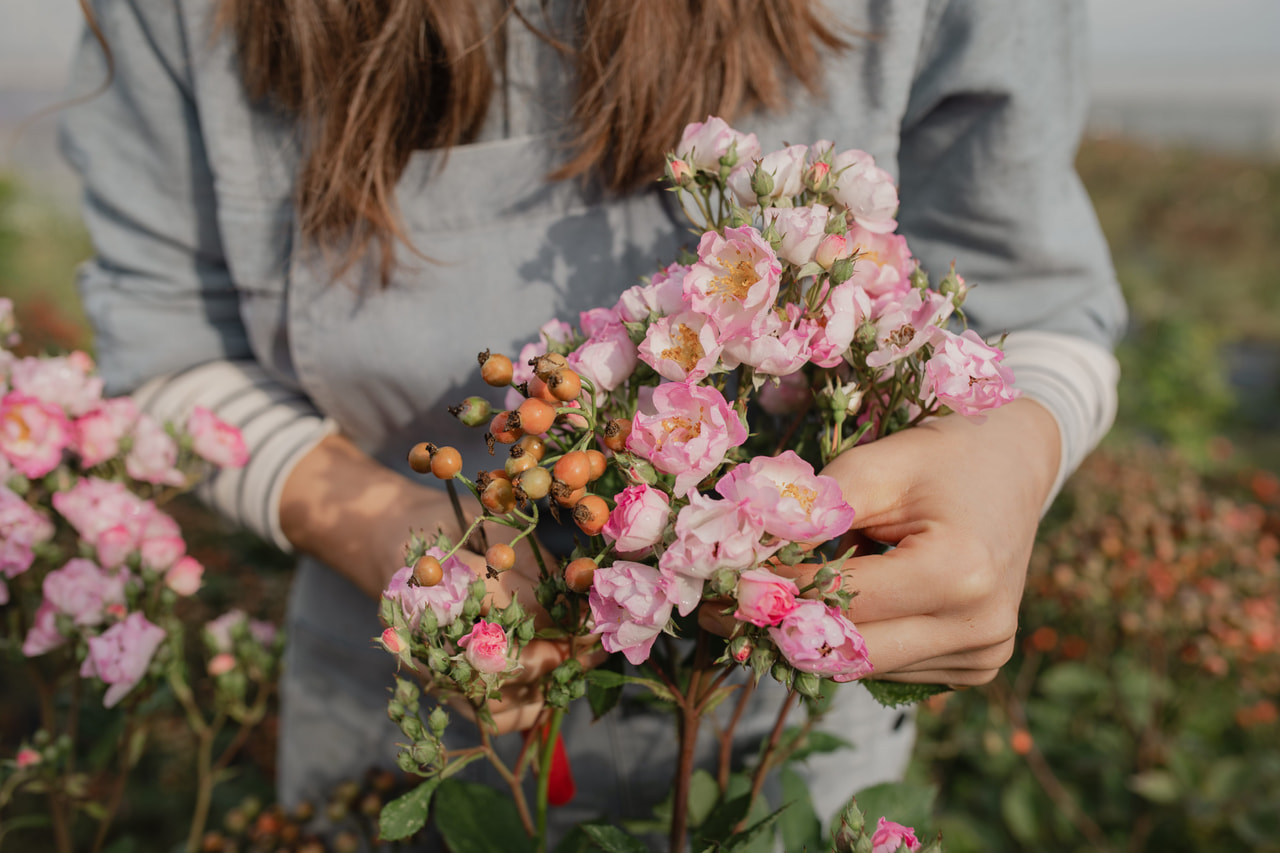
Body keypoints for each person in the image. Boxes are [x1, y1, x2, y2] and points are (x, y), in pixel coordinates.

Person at [62, 0, 1125, 838]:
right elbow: (166, 351)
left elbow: (1030, 312)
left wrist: (1009, 448)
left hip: (778, 735)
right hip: (399, 705)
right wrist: (392, 534)